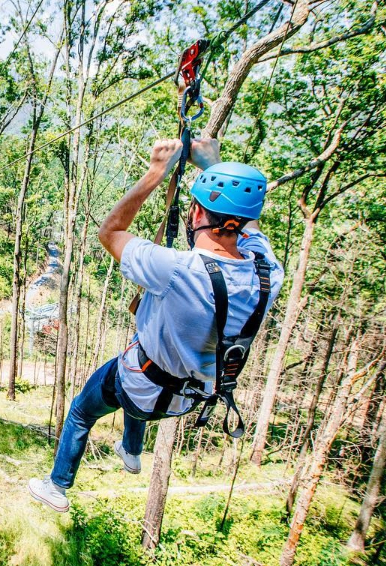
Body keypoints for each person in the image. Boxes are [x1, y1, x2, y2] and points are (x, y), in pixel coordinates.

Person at [28, 138, 285, 513]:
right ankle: (132, 450)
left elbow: (110, 232)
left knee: (85, 408)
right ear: (243, 224)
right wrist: (212, 164)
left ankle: (57, 486)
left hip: (141, 384)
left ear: (196, 214)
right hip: (186, 399)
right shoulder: (268, 274)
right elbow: (250, 230)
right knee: (144, 352)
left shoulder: (176, 269)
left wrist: (155, 172)